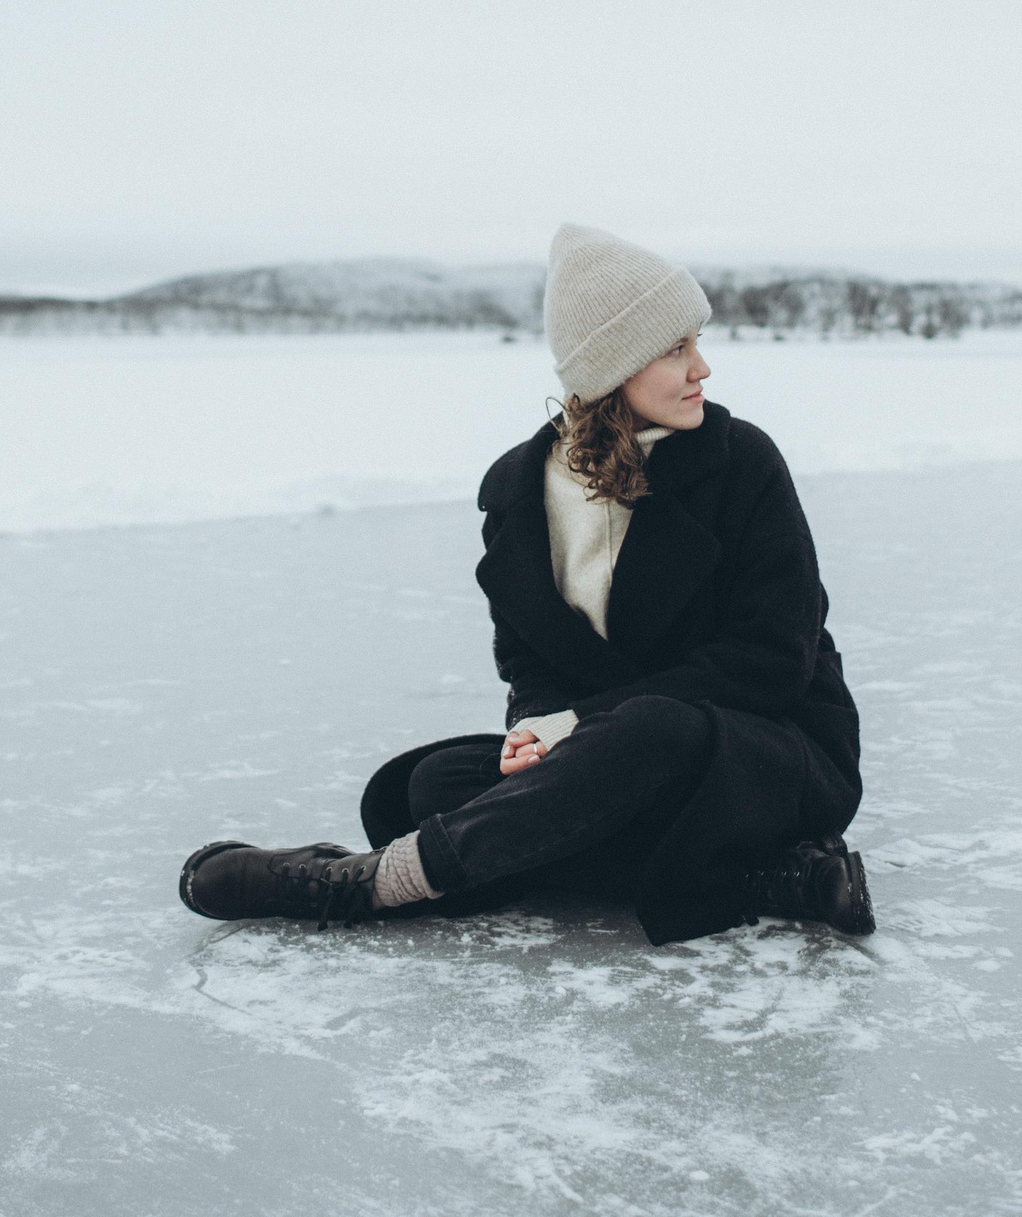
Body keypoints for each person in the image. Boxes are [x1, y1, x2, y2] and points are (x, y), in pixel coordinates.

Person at [178, 223, 870, 944]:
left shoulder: (741, 464)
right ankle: (764, 875)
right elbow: (532, 664)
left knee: (648, 728)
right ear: (612, 363)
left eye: (695, 342)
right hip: (614, 760)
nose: (703, 367)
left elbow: (770, 660)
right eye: (676, 348)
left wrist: (576, 725)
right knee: (437, 783)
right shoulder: (520, 493)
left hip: (763, 756)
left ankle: (368, 882)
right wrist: (533, 729)